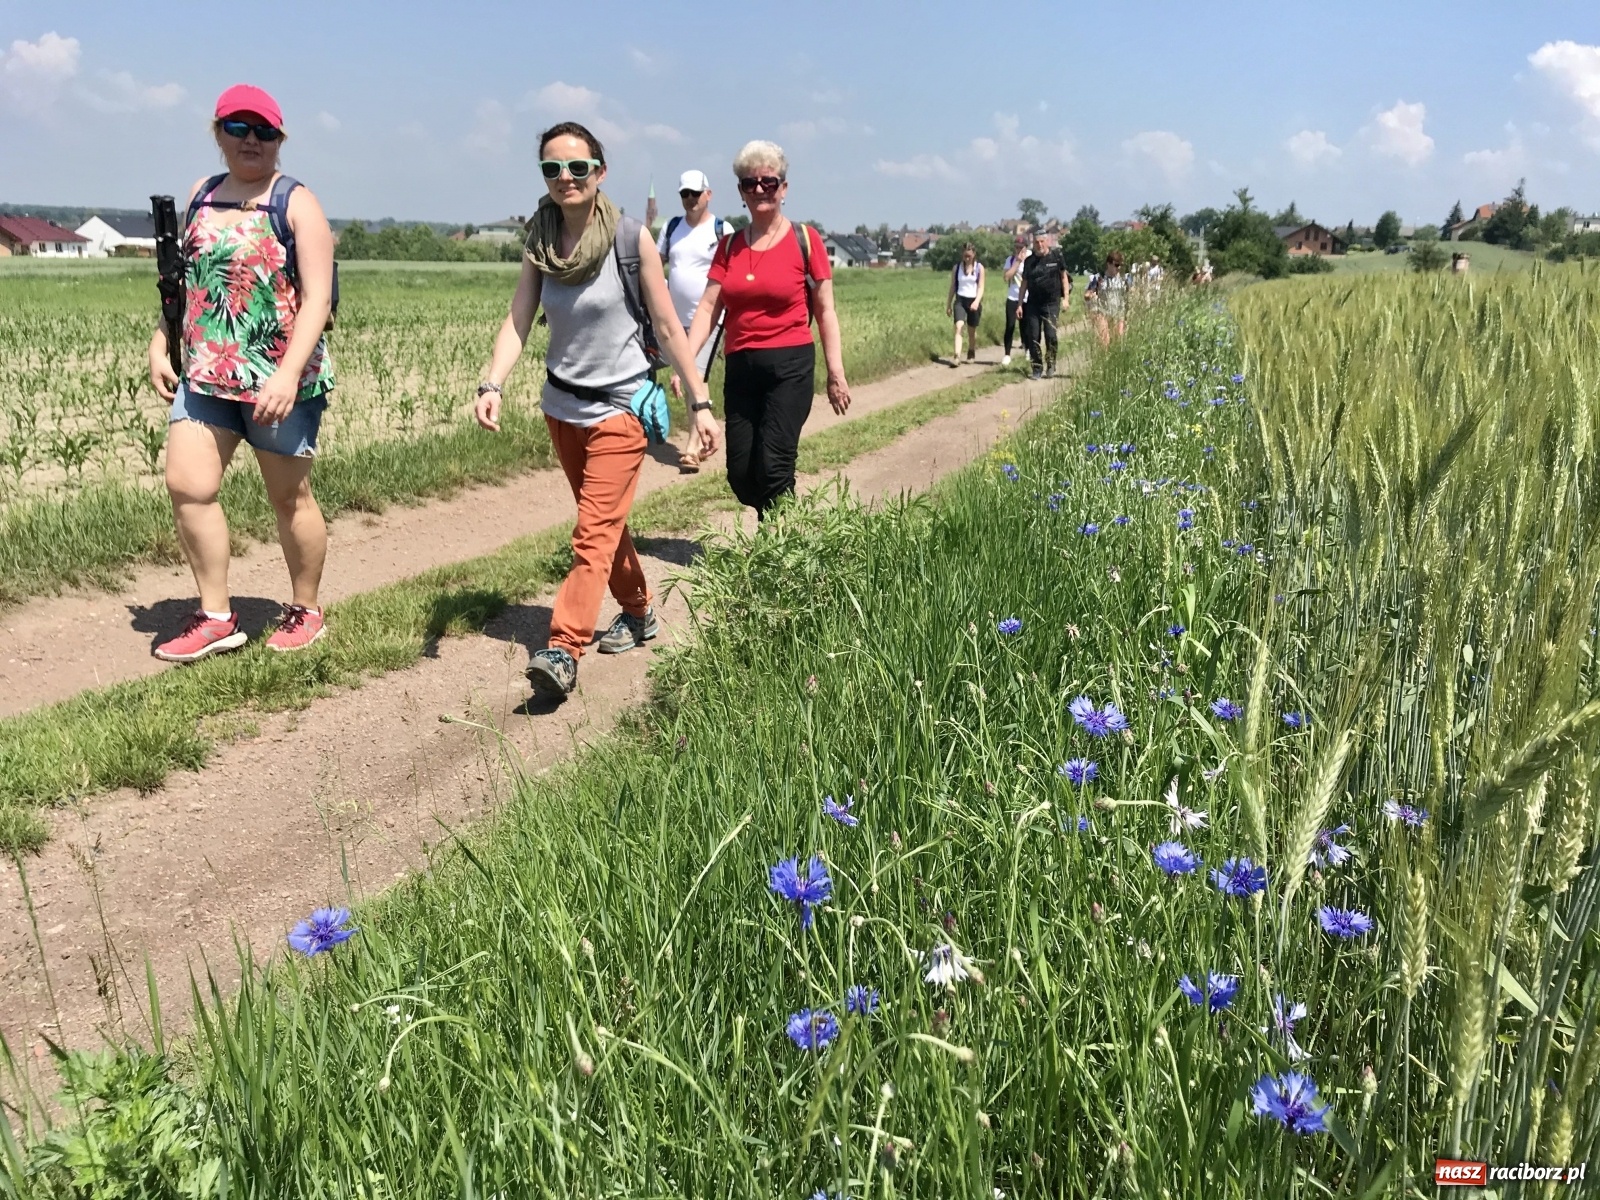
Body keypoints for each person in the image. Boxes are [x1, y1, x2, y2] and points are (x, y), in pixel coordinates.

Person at [474, 121, 721, 700]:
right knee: (605, 525)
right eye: (552, 168)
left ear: (599, 173)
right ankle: (638, 611)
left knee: (591, 533)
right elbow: (518, 318)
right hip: (561, 407)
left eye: (577, 168)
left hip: (620, 408)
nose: (565, 178)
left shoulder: (630, 239)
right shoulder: (540, 240)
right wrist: (493, 382)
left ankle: (563, 648)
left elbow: (666, 323)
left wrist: (701, 404)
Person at [147, 83, 336, 662]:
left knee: (289, 498)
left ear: (280, 139)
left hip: (280, 383)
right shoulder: (201, 195)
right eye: (237, 128)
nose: (251, 140)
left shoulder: (295, 202)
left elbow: (319, 300)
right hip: (206, 375)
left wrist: (285, 374)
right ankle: (216, 616)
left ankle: (305, 609)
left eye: (264, 131)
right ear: (218, 133)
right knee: (188, 485)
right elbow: (186, 282)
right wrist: (161, 339)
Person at [686, 140, 850, 518]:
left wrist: (835, 373)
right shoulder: (728, 247)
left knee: (774, 466)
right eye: (749, 183)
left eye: (768, 182)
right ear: (741, 191)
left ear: (784, 189)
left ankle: (780, 550)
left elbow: (825, 312)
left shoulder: (805, 241)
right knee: (742, 474)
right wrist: (688, 362)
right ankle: (781, 527)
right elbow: (710, 306)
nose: (759, 190)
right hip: (741, 368)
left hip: (790, 367)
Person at [657, 168, 730, 473]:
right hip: (673, 321)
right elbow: (654, 263)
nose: (689, 200)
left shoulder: (720, 229)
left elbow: (732, 272)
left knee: (694, 378)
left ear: (708, 195)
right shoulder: (672, 227)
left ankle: (692, 446)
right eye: (684, 194)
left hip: (710, 319)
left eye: (695, 194)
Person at [1020, 230, 1069, 379]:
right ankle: (1036, 367)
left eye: (1042, 241)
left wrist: (1066, 298)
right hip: (1033, 303)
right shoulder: (1029, 262)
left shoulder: (1056, 257)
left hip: (1051, 302)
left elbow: (1064, 278)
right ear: (1033, 244)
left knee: (1051, 334)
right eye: (1036, 242)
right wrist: (1019, 304)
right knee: (1033, 336)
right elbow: (1024, 284)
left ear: (1047, 241)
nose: (1039, 245)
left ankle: (1051, 363)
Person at [945, 242, 984, 366]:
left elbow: (981, 287)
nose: (967, 258)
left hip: (973, 301)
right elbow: (953, 287)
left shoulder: (979, 268)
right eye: (965, 256)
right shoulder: (957, 268)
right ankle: (956, 356)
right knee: (958, 327)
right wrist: (948, 304)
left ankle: (971, 351)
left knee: (971, 331)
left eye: (969, 256)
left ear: (974, 255)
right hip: (960, 300)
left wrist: (977, 301)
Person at [1086, 250, 1128, 347]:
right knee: (1105, 341)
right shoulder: (1099, 278)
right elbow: (1088, 293)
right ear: (1108, 264)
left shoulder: (1123, 279)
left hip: (1118, 312)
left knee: (1119, 339)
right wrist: (1090, 296)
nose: (1119, 268)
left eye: (1120, 265)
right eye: (1116, 265)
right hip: (1102, 311)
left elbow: (1129, 294)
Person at [1001, 236, 1028, 366]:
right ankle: (1007, 354)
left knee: (1026, 326)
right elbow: (1006, 277)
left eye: (1020, 247)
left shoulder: (1030, 260)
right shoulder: (1010, 260)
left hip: (1028, 297)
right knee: (1010, 326)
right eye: (1016, 247)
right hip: (1012, 296)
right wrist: (1016, 263)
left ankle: (1028, 349)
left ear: (1025, 248)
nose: (1018, 249)